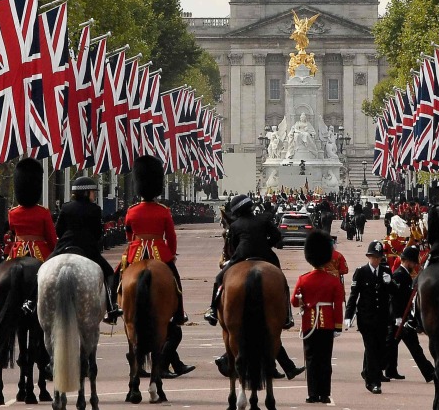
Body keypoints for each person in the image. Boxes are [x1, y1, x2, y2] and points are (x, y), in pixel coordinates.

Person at [206, 194, 304, 380]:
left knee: (219, 280)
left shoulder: (234, 226)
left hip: (241, 257)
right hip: (266, 256)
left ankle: (212, 310)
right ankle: (287, 316)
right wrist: (264, 244)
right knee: (281, 282)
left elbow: (233, 247)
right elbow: (276, 236)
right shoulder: (264, 219)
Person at [122, 155, 194, 378]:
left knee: (118, 277)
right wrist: (169, 255)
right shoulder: (163, 210)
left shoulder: (132, 210)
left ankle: (115, 308)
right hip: (159, 252)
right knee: (175, 280)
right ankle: (179, 312)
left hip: (136, 252)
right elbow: (171, 238)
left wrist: (136, 245)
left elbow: (128, 234)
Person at [51, 176, 122, 323]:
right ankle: (111, 307)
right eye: (92, 192)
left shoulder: (66, 207)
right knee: (109, 274)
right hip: (87, 249)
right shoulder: (95, 209)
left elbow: (58, 230)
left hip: (64, 246)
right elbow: (98, 233)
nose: (94, 195)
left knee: (41, 270)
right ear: (85, 193)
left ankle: (31, 302)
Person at [292, 231, 344, 404]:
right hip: (328, 323)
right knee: (325, 360)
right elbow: (338, 306)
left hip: (308, 323)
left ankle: (312, 393)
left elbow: (293, 302)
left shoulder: (303, 279)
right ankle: (324, 394)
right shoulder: (333, 281)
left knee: (311, 359)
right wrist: (338, 326)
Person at [345, 240, 392, 394]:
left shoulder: (386, 271)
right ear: (368, 256)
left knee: (379, 349)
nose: (376, 260)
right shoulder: (361, 272)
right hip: (366, 318)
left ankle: (369, 373)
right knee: (371, 349)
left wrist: (390, 283)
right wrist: (348, 315)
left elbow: (393, 294)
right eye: (373, 257)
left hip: (382, 318)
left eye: (378, 257)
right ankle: (374, 382)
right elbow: (354, 295)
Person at [384, 245, 434, 383]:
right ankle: (429, 373)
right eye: (413, 262)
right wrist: (397, 317)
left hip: (404, 316)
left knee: (394, 345)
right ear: (407, 261)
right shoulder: (400, 274)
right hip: (399, 317)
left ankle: (390, 370)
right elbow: (395, 297)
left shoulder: (405, 274)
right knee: (402, 346)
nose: (414, 265)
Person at [7, 158, 58, 263]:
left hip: (18, 251)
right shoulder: (43, 212)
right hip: (41, 252)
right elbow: (51, 238)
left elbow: (13, 234)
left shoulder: (12, 213)